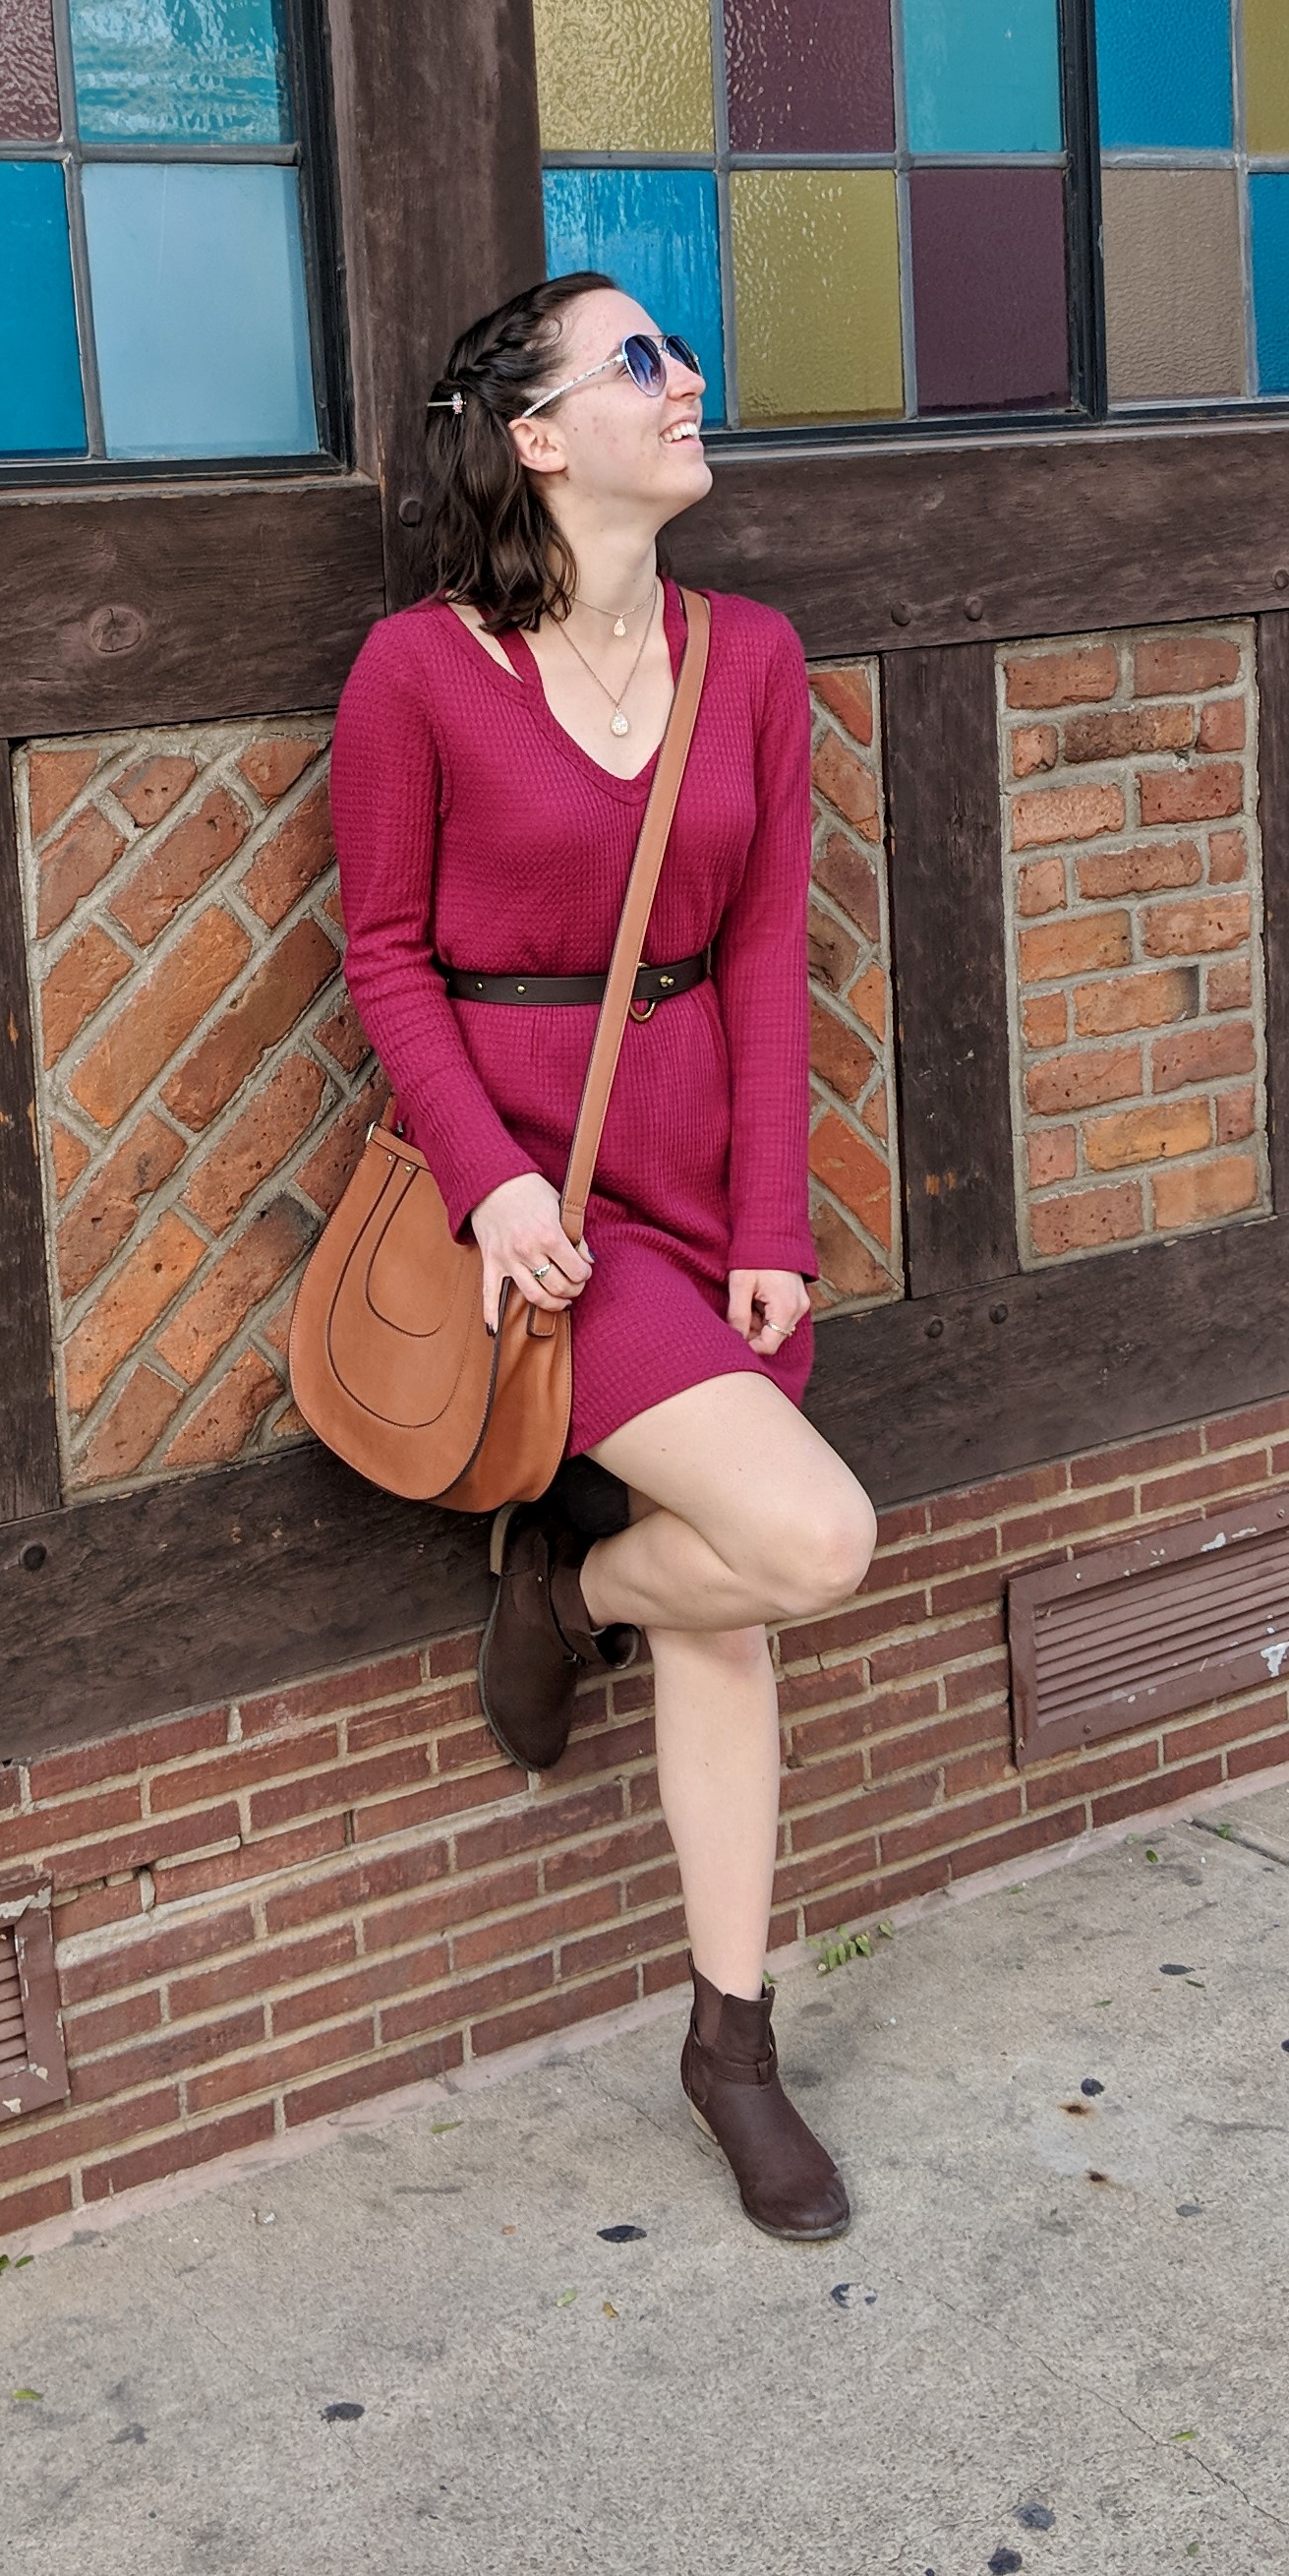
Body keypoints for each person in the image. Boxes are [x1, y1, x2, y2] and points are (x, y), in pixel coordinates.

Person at [328, 273, 881, 2242]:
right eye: (640, 359)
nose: (685, 378)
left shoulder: (750, 656)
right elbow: (384, 951)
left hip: (692, 1194)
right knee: (809, 1545)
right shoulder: (416, 673)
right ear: (540, 437)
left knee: (732, 1606)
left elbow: (754, 951)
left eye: (677, 352)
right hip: (542, 1210)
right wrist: (482, 1181)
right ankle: (568, 1596)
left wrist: (767, 1221)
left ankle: (727, 2036)